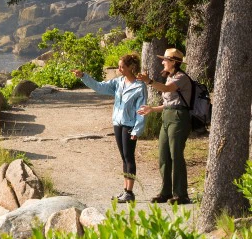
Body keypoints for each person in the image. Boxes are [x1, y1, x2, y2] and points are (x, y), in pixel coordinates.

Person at [73, 53, 147, 203]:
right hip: (118, 123)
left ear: (131, 67)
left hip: (130, 125)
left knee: (129, 157)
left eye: (122, 66)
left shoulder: (139, 87)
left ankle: (130, 193)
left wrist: (137, 130)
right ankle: (126, 191)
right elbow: (100, 87)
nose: (119, 69)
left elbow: (142, 110)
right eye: (119, 66)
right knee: (123, 158)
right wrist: (83, 76)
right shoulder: (118, 82)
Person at [138, 48, 192, 204]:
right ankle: (166, 192)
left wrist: (149, 81)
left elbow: (167, 90)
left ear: (174, 62)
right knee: (163, 155)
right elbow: (168, 104)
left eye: (165, 59)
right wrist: (152, 109)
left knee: (176, 156)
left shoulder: (181, 78)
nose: (162, 62)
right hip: (168, 117)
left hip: (179, 118)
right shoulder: (170, 77)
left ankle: (181, 194)